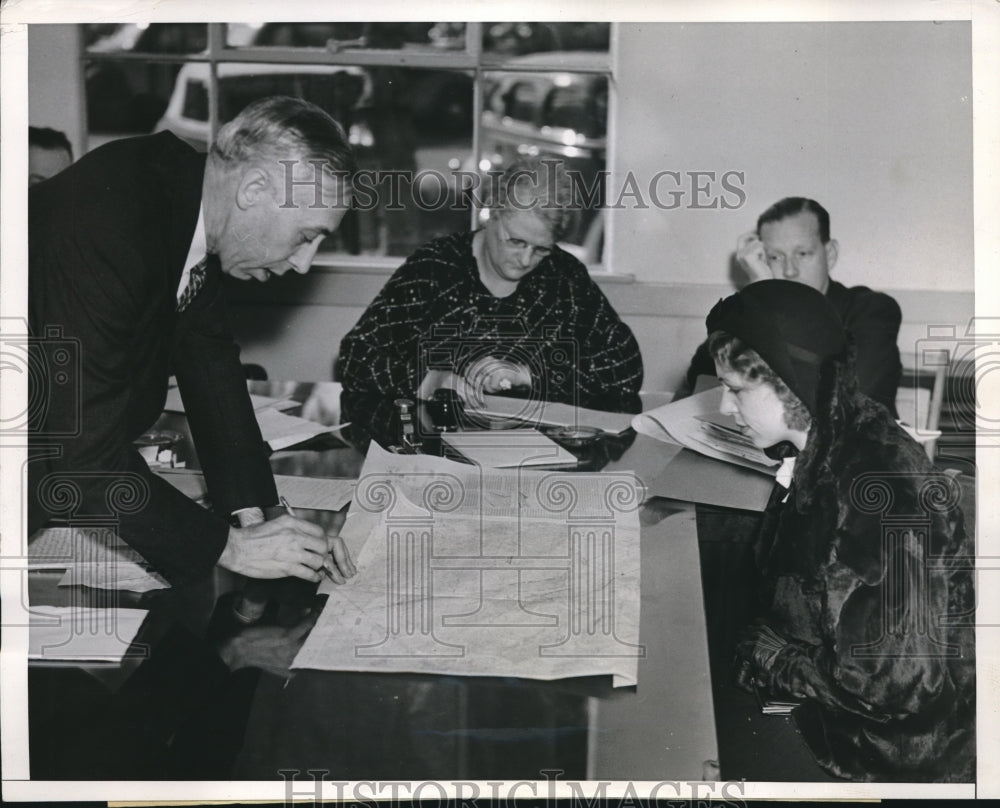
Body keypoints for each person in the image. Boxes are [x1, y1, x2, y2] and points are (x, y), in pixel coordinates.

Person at [29, 96, 358, 587]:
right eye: (306, 235)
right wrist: (231, 548)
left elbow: (211, 365)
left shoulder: (184, 201)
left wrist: (256, 514)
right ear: (253, 188)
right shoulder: (108, 222)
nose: (305, 263)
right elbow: (86, 462)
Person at [704, 280, 974, 782]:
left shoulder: (880, 491)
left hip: (886, 758)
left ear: (788, 383)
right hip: (835, 713)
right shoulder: (828, 445)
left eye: (736, 390)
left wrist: (779, 660)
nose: (724, 407)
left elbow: (901, 687)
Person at [337, 158, 644, 413]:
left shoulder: (563, 276)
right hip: (437, 459)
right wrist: (433, 380)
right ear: (491, 214)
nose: (524, 260)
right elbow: (356, 358)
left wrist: (529, 375)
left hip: (533, 460)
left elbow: (625, 369)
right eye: (515, 241)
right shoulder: (435, 268)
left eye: (541, 249)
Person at [683, 197, 902, 414]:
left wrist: (772, 303)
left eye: (803, 254)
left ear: (830, 254)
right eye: (775, 257)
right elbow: (701, 377)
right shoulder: (754, 311)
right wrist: (759, 300)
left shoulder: (871, 310)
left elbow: (843, 402)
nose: (790, 271)